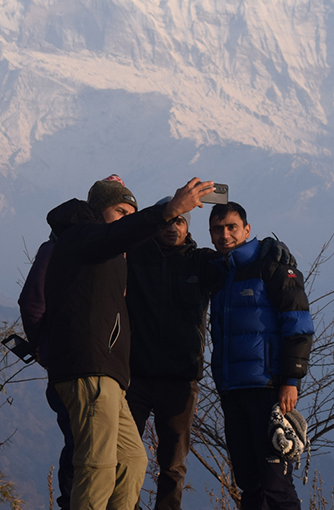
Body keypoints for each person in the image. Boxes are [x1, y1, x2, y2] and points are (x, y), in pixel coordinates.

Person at [44, 175, 216, 510]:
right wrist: (168, 209)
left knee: (132, 461)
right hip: (90, 368)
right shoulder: (83, 236)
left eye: (130, 212)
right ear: (98, 212)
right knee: (98, 467)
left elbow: (119, 233)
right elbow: (116, 233)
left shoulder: (102, 246)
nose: (127, 219)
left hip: (110, 374)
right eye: (120, 210)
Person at [207, 202, 314, 510]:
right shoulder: (219, 273)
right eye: (217, 229)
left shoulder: (273, 267)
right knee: (249, 483)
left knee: (275, 484)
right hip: (232, 390)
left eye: (231, 227)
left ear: (247, 230)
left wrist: (291, 380)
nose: (225, 235)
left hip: (268, 389)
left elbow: (299, 326)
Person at [125, 199, 218, 510]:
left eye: (180, 222)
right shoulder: (134, 256)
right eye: (167, 222)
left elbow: (240, 267)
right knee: (122, 454)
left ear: (188, 227)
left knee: (173, 463)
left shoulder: (202, 261)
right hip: (133, 374)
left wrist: (270, 254)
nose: (172, 228)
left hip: (180, 378)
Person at [18, 235, 75, 509]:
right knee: (81, 446)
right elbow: (32, 304)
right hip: (72, 369)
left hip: (100, 369)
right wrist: (45, 348)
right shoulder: (63, 248)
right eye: (121, 212)